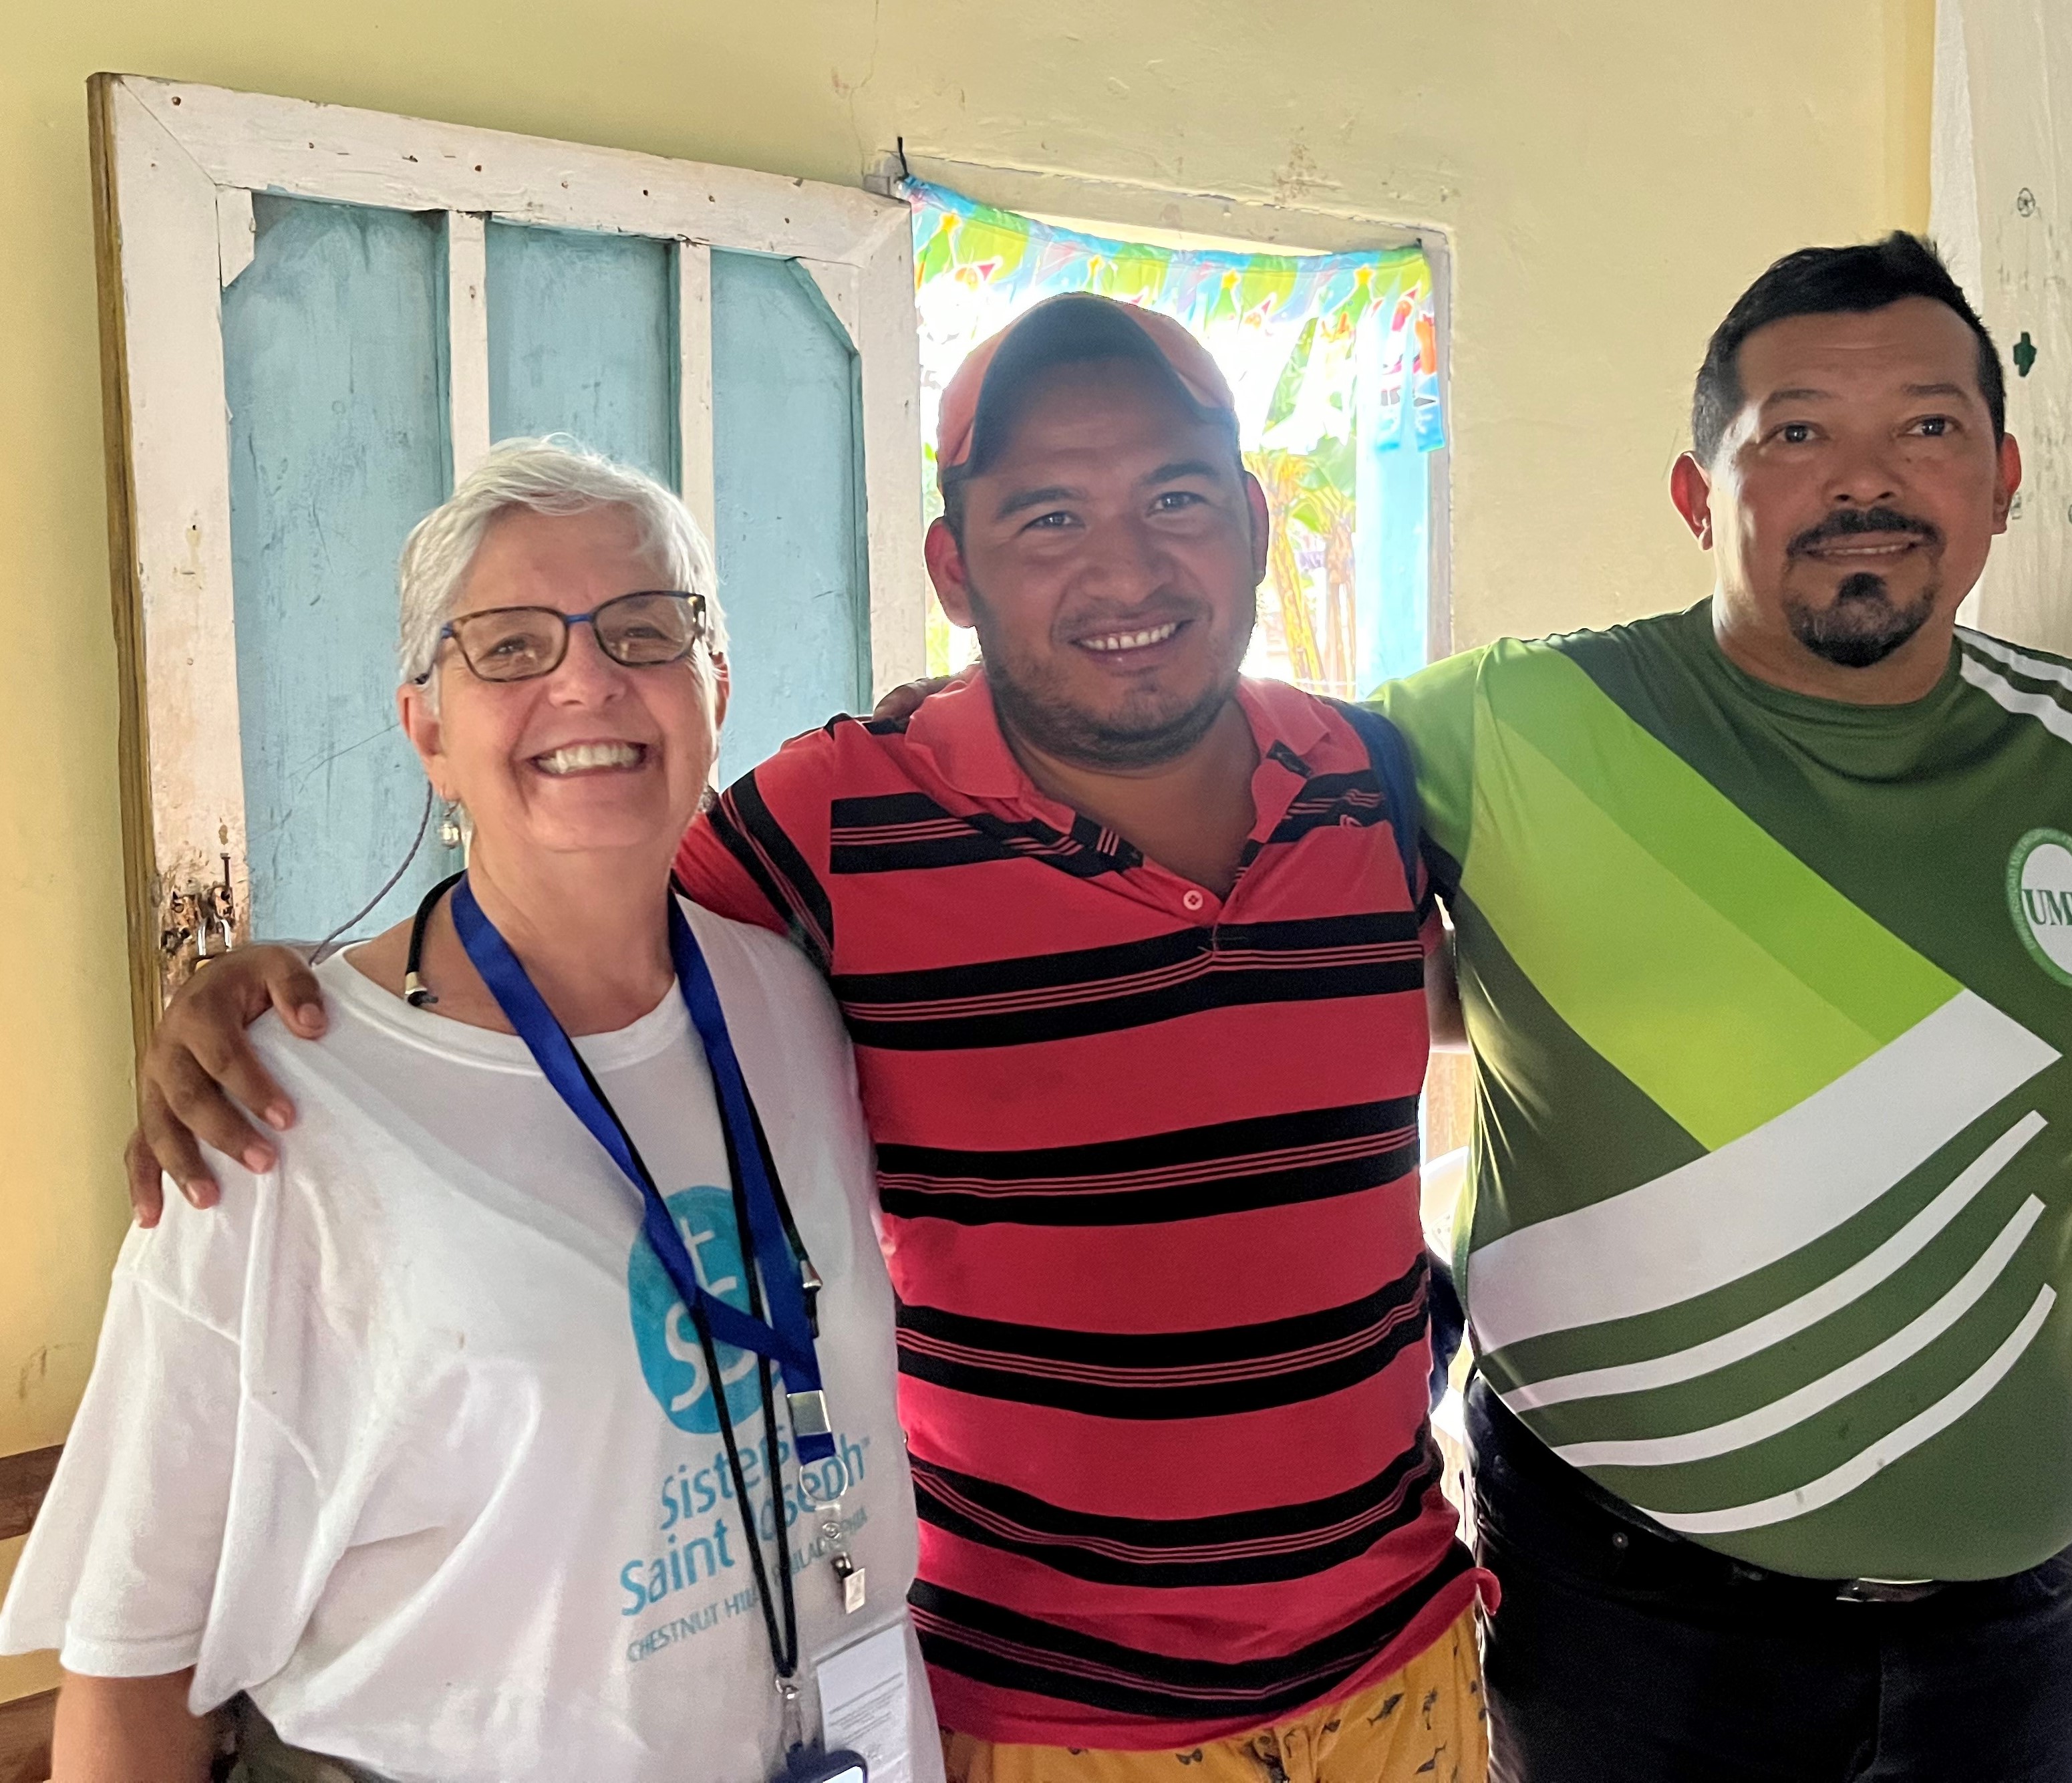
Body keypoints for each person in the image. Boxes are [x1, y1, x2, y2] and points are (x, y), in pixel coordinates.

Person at [123, 297, 1494, 1783]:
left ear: (1249, 517)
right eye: (1046, 517)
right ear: (951, 568)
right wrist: (282, 990)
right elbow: (569, 918)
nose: (1124, 566)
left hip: (1401, 1647)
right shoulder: (831, 823)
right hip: (1028, 1707)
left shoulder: (1371, 780)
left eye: (1172, 496)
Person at [1371, 233, 2072, 1780]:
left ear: (1998, 476)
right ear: (1697, 494)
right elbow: (1213, 818)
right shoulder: (1509, 726)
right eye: (1793, 432)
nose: (1865, 480)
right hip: (1617, 1615)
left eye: (1925, 426)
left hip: (2007, 1626)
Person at [3, 442, 939, 1782]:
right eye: (506, 646)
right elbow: (127, 1666)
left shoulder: (788, 997)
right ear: (426, 725)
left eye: (643, 627)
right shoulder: (276, 1115)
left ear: (714, 684)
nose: (586, 677)